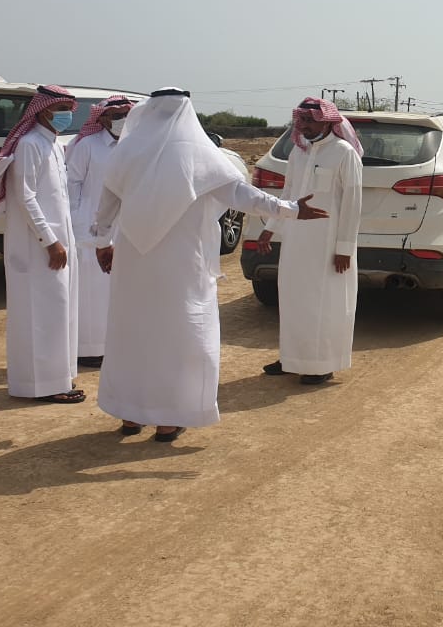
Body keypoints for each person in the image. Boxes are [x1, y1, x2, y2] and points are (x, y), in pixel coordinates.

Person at [90, 88, 328, 442]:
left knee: (132, 331)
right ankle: (168, 420)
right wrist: (291, 209)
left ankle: (129, 413)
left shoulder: (126, 151)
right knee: (177, 335)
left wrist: (102, 244)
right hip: (182, 263)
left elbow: (106, 206)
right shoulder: (199, 153)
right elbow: (242, 195)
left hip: (133, 260)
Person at [0, 84, 83, 403]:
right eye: (60, 109)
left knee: (57, 311)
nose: (65, 115)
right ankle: (43, 385)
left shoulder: (53, 145)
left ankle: (57, 380)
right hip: (37, 246)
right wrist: (49, 241)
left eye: (68, 110)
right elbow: (26, 196)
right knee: (40, 314)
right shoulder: (30, 144)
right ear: (43, 111)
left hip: (58, 241)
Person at [256, 97, 363, 385]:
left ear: (326, 121)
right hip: (295, 241)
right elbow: (288, 194)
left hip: (327, 243)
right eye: (300, 120)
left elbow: (353, 203)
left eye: (309, 120)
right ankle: (291, 358)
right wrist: (270, 228)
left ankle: (321, 364)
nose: (303, 126)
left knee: (323, 304)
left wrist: (344, 248)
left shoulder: (344, 153)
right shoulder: (298, 152)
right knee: (293, 300)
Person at [65, 94, 135, 368]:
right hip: (91, 229)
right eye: (116, 116)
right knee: (92, 292)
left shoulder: (134, 146)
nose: (122, 120)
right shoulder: (87, 145)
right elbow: (72, 184)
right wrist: (77, 222)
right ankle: (88, 349)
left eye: (126, 115)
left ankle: (115, 348)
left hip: (126, 228)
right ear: (102, 119)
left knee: (120, 291)